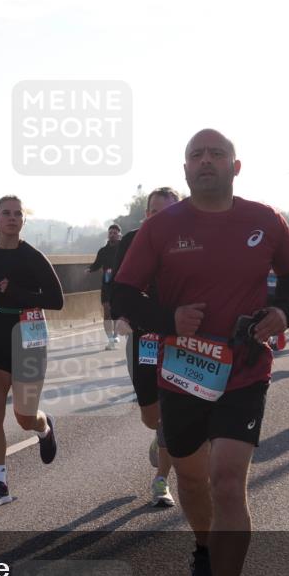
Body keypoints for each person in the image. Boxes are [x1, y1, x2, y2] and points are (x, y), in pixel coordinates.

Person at [112, 128, 289, 576]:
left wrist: (282, 311)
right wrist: (167, 318)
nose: (205, 162)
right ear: (184, 169)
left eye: (215, 154)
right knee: (193, 481)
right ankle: (203, 545)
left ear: (235, 167)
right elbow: (122, 292)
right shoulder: (160, 228)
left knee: (226, 483)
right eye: (196, 155)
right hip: (181, 371)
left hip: (244, 368)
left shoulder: (264, 220)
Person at [0, 196, 64, 506]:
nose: (11, 218)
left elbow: (56, 299)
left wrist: (17, 293)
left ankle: (43, 426)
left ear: (23, 221)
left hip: (29, 334)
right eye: (5, 213)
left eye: (17, 214)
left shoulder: (32, 257)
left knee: (23, 416)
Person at [111, 187, 181, 507]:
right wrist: (122, 316)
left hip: (181, 336)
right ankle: (157, 432)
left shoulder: (192, 242)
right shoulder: (132, 240)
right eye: (155, 211)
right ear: (147, 214)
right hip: (145, 335)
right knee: (150, 413)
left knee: (171, 410)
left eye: (170, 211)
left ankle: (161, 480)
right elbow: (122, 286)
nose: (162, 217)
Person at [87, 225, 123, 349]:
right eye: (110, 232)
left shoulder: (123, 249)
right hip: (107, 285)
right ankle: (110, 340)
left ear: (119, 235)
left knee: (117, 312)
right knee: (107, 311)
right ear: (108, 235)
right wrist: (90, 269)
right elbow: (97, 264)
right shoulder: (103, 250)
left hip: (120, 285)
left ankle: (116, 334)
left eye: (115, 232)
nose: (112, 234)